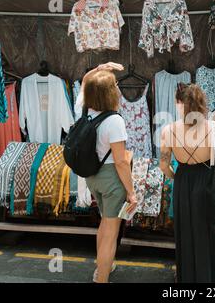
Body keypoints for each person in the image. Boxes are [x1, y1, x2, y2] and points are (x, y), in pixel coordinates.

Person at [159, 83, 215, 283]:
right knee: (208, 232)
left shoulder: (168, 130)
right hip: (207, 182)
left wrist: (178, 178)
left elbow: (164, 167)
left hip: (183, 182)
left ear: (179, 103)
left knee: (186, 233)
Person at [82, 63, 138, 283]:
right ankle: (101, 278)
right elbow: (121, 162)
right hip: (111, 180)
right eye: (114, 85)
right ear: (110, 93)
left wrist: (100, 68)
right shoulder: (114, 121)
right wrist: (131, 192)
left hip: (92, 176)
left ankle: (103, 266)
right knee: (111, 232)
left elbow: (86, 80)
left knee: (104, 224)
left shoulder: (86, 111)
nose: (117, 88)